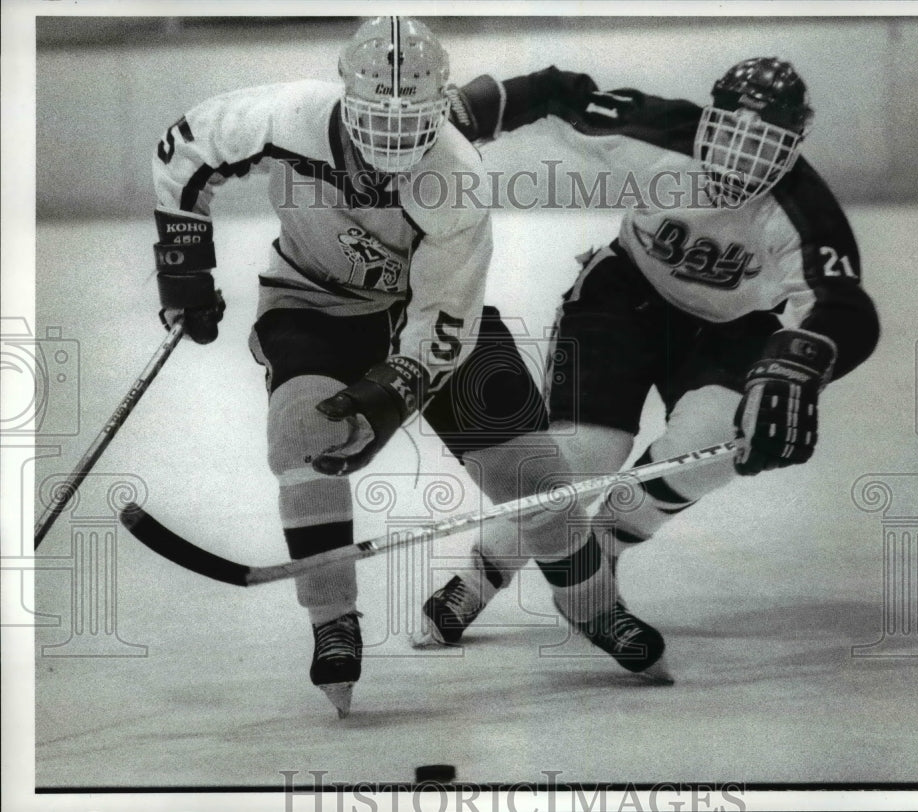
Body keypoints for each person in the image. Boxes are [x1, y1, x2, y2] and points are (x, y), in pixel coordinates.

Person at [150, 17, 668, 718]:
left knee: (535, 480)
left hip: (424, 317)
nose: (393, 146)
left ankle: (596, 609)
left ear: (442, 108)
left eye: (414, 123)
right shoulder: (284, 115)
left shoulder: (457, 175)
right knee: (301, 435)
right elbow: (186, 150)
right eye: (376, 120)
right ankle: (333, 618)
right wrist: (183, 266)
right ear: (344, 97)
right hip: (313, 305)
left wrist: (388, 395)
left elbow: (442, 322)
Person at [414, 59, 881, 662]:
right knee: (580, 457)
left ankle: (598, 553)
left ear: (794, 144)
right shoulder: (657, 129)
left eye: (763, 146)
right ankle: (479, 577)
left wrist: (800, 359)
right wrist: (471, 110)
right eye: (730, 136)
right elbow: (558, 91)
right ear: (707, 120)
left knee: (714, 445)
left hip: (732, 328)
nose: (740, 161)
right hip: (623, 300)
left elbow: (845, 306)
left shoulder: (804, 209)